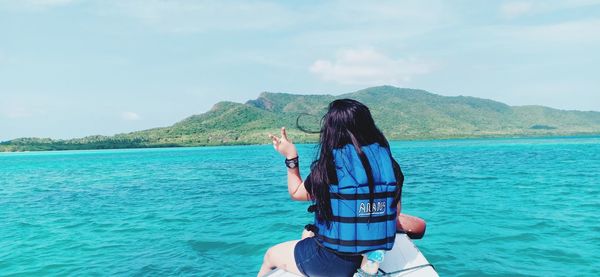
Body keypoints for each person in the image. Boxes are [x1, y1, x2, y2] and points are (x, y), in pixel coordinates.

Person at [258, 99, 404, 277]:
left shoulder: (330, 166)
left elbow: (296, 193)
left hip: (333, 264)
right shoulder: (390, 165)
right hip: (369, 256)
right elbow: (394, 212)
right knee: (308, 233)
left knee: (271, 255)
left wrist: (291, 157)